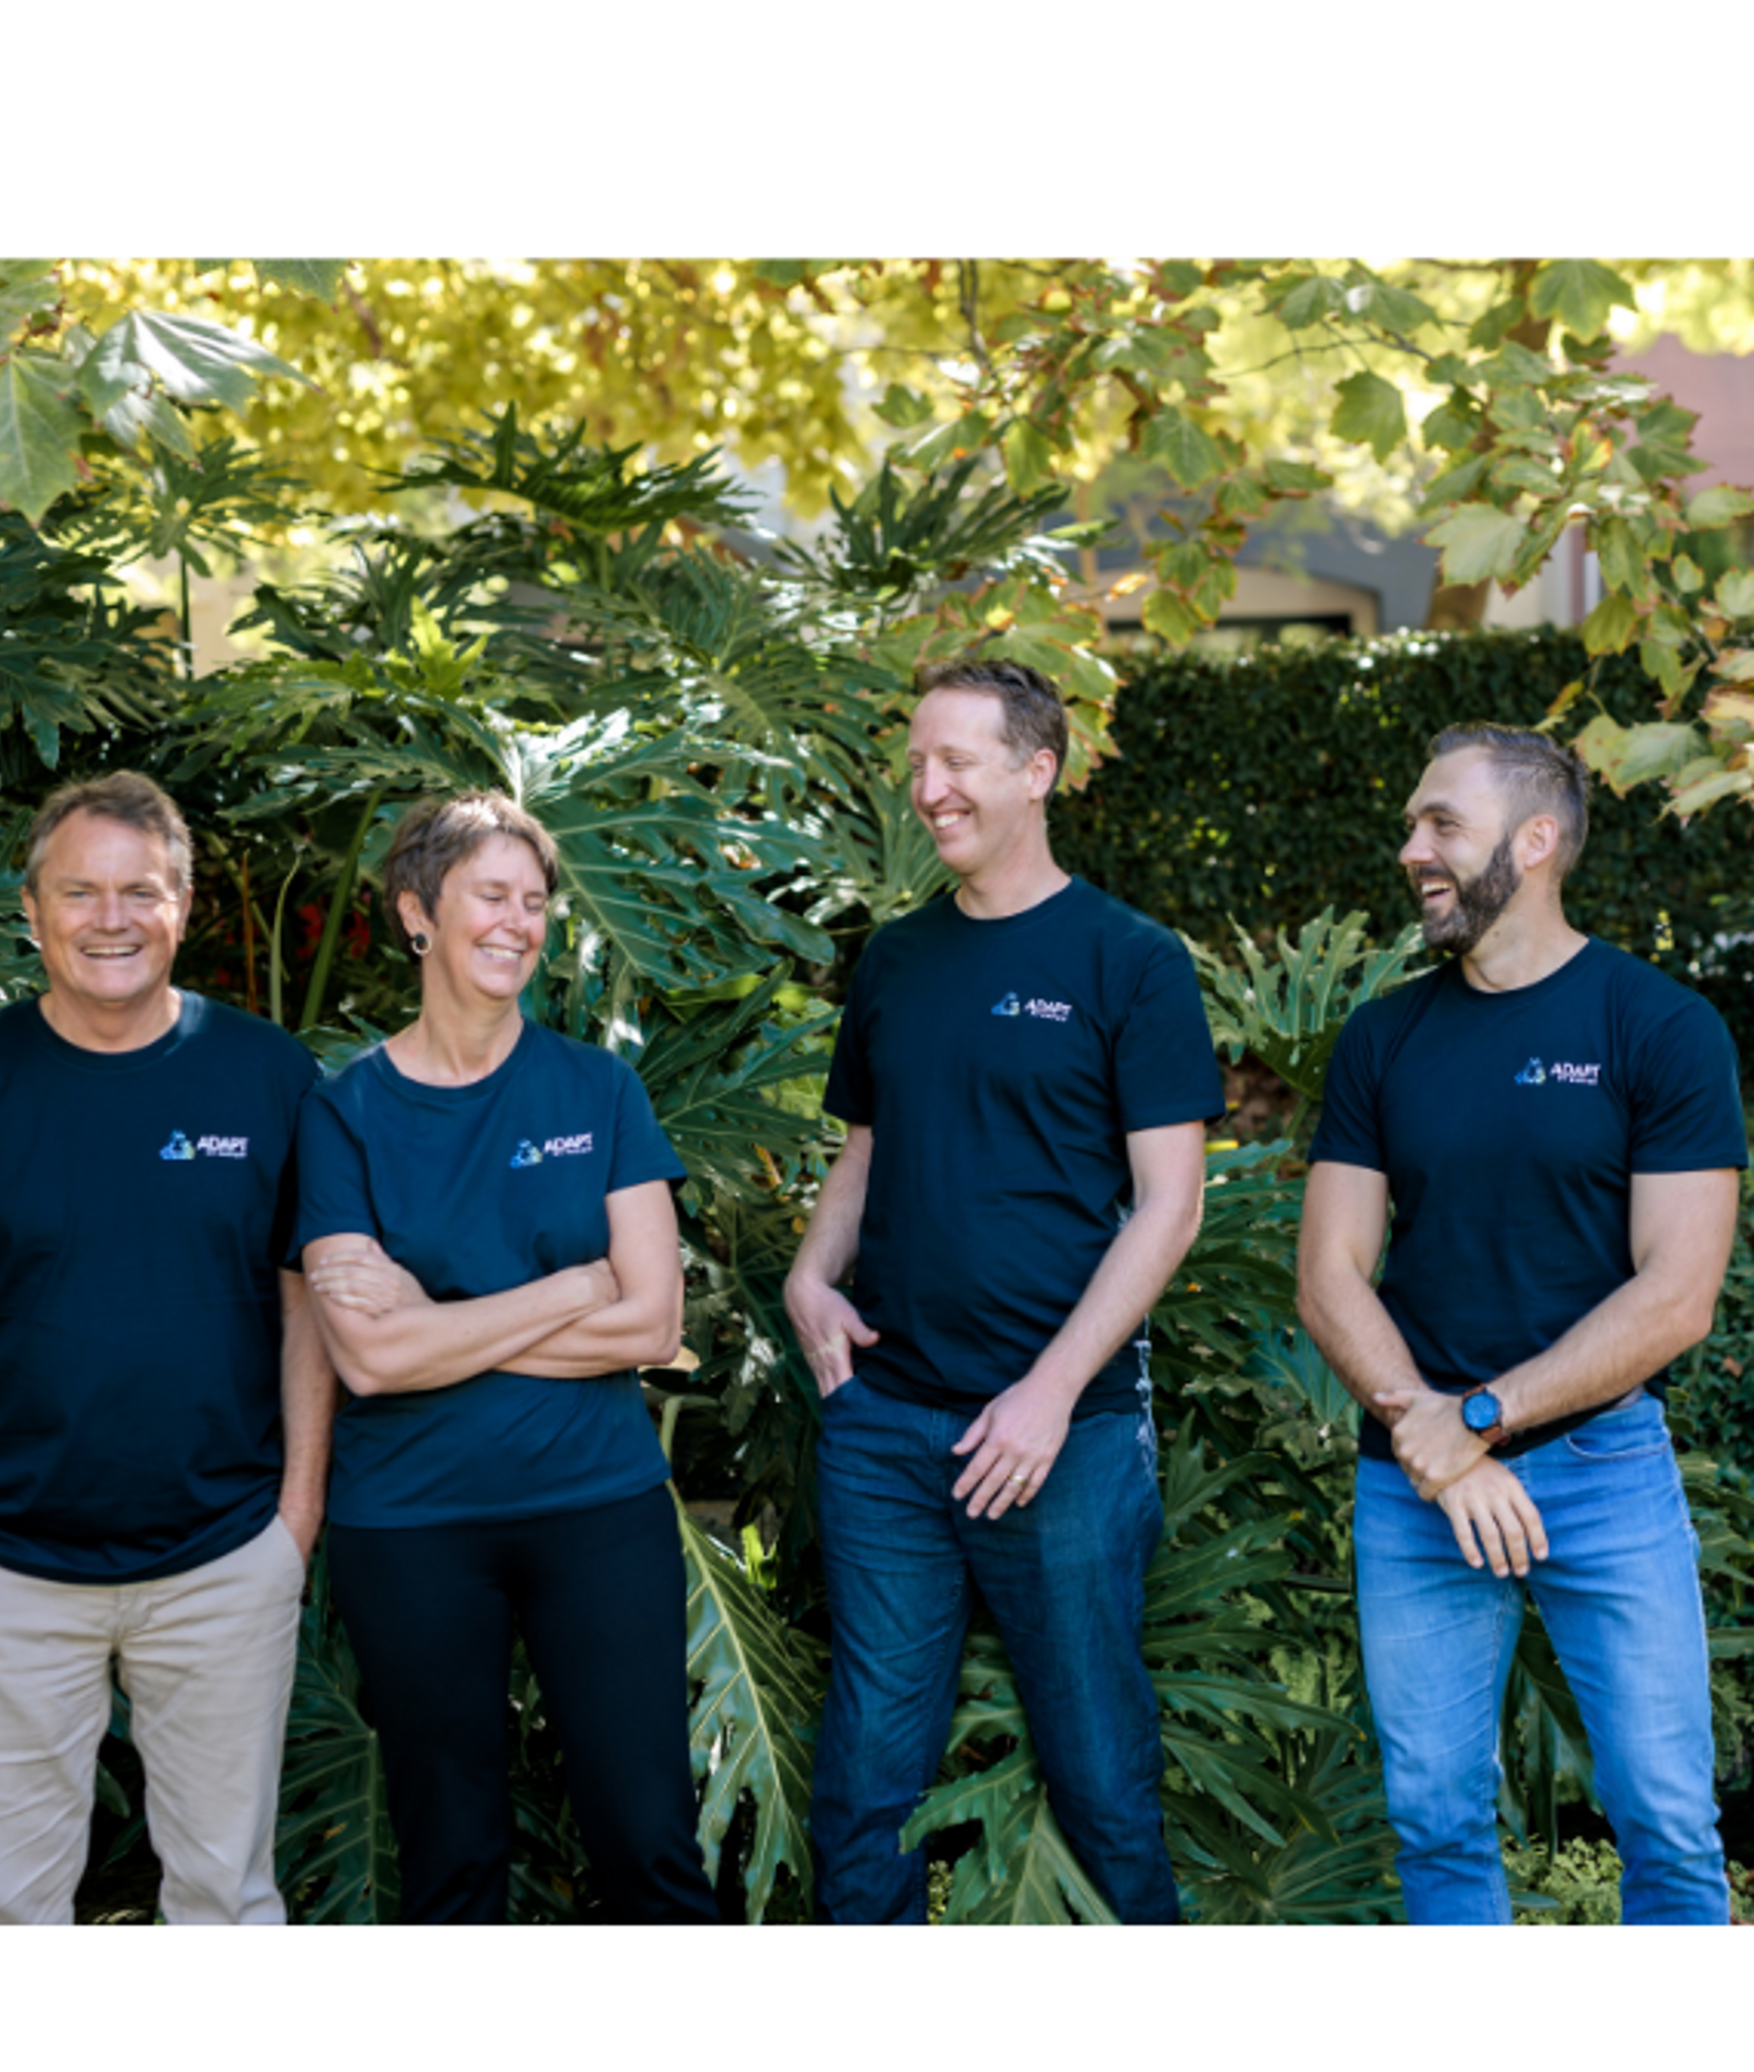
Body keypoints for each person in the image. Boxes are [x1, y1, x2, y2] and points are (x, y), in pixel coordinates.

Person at [0, 771, 331, 1924]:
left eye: (139, 891)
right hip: (5, 1571)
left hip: (222, 1563)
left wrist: (293, 1521)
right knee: (8, 1920)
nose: (111, 917)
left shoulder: (268, 1076)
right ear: (32, 909)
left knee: (225, 1901)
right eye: (81, 891)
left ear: (184, 905)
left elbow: (307, 1305)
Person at [784, 656, 1220, 1923]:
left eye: (957, 761)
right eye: (917, 762)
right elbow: (868, 1147)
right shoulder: (897, 960)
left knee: (1099, 1774)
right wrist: (814, 1274)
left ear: (1038, 772)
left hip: (1062, 1438)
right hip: (888, 1425)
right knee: (867, 1771)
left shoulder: (1130, 960)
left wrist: (1047, 1392)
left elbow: (1171, 1203)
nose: (928, 788)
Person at [1297, 723, 1747, 1924]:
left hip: (1599, 1468)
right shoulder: (1384, 1036)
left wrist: (1483, 1419)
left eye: (1442, 823)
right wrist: (1431, 1439)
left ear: (1536, 840)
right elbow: (1330, 1272)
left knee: (1666, 1820)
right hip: (1416, 1482)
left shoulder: (1659, 1029)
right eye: (1412, 824)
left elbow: (1678, 1292)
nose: (1412, 849)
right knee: (1436, 1822)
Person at [293, 790, 719, 1925]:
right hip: (413, 1526)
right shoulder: (343, 1114)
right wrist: (576, 1285)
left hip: (600, 1512)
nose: (519, 923)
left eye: (535, 902)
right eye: (492, 895)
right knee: (452, 1856)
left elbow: (651, 1326)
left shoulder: (598, 1089)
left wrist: (446, 1321)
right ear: (417, 913)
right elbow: (371, 1362)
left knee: (647, 1840)